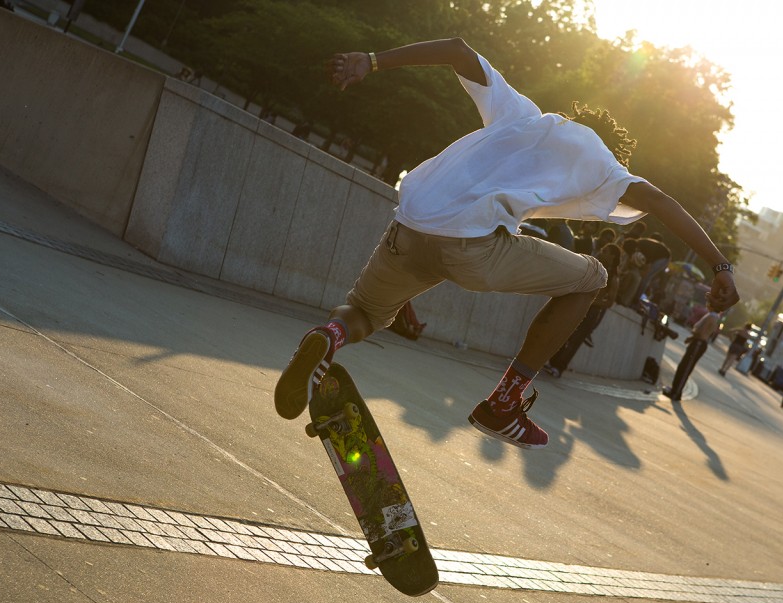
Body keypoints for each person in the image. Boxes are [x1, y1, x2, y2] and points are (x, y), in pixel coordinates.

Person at [274, 38, 739, 449]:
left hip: (410, 225)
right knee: (590, 279)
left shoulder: (522, 114)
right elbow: (658, 200)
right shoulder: (605, 165)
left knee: (364, 313)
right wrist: (719, 266)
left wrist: (370, 61)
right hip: (471, 248)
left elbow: (457, 48)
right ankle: (504, 402)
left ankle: (327, 337)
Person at [543, 243, 623, 377]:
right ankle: (552, 362)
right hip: (578, 305)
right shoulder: (594, 267)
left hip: (592, 312)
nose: (602, 252)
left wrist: (592, 301)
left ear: (612, 256)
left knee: (576, 340)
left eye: (605, 251)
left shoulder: (614, 278)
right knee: (564, 333)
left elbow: (609, 302)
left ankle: (559, 367)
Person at [663, 310, 721, 401]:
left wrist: (694, 336)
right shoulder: (712, 316)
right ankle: (675, 389)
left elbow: (702, 333)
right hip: (698, 342)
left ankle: (676, 393)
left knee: (685, 368)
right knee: (683, 366)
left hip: (698, 343)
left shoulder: (711, 317)